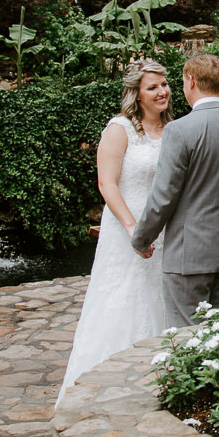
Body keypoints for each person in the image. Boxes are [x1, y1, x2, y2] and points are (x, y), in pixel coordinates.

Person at [58, 59, 173, 404]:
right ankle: (104, 386)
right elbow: (107, 185)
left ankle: (159, 380)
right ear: (136, 94)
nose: (162, 91)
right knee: (123, 296)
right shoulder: (119, 129)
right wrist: (134, 230)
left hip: (165, 230)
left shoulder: (175, 128)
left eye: (164, 84)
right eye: (152, 87)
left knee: (159, 298)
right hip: (127, 226)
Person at [131, 53, 219, 328]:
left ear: (190, 81)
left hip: (188, 255)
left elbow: (163, 196)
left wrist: (141, 239)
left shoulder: (179, 130)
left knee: (186, 337)